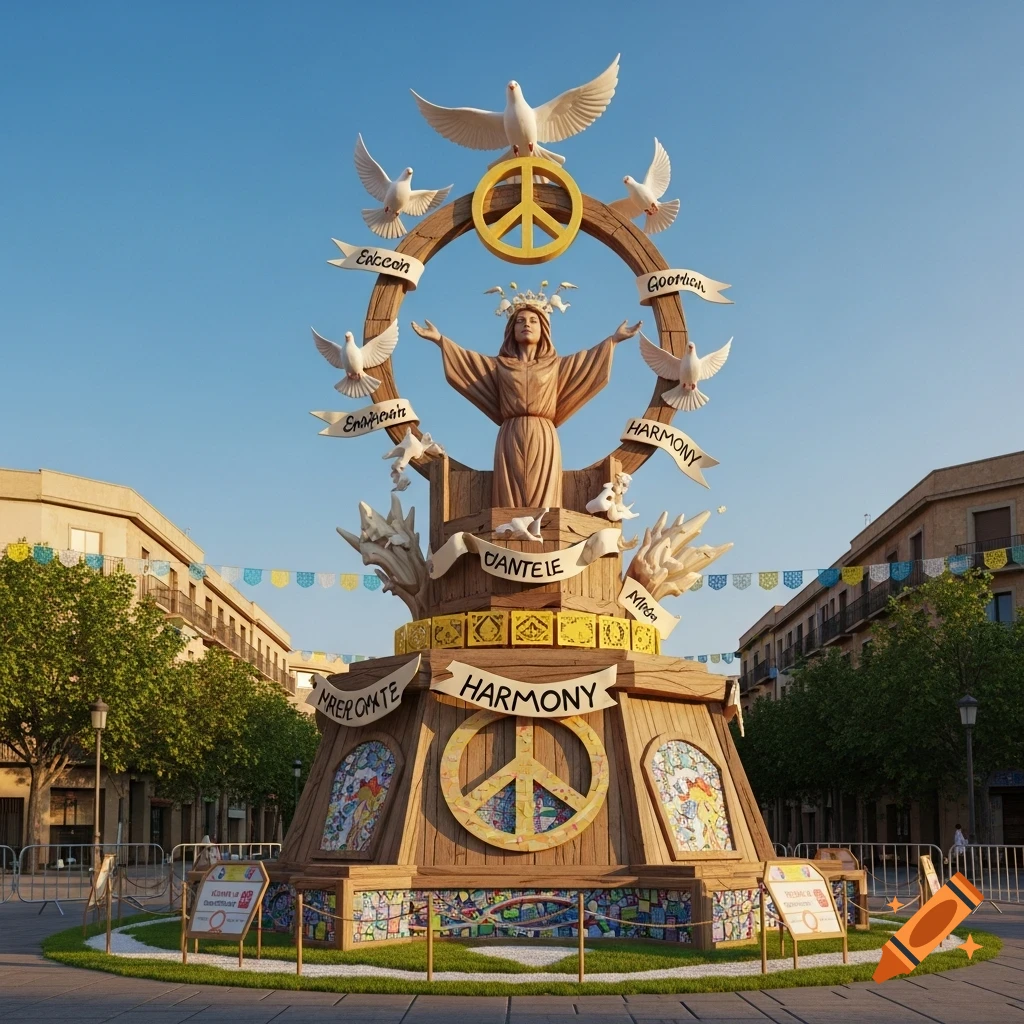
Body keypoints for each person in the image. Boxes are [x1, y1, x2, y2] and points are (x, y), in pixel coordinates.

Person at [411, 304, 641, 508]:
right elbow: (468, 363)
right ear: (511, 330)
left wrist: (613, 340)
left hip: (543, 433)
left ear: (544, 330)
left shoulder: (555, 366)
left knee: (544, 497)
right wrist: (440, 340)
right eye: (520, 321)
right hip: (511, 433)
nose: (526, 325)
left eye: (533, 321)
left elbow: (587, 362)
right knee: (510, 495)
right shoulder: (499, 366)